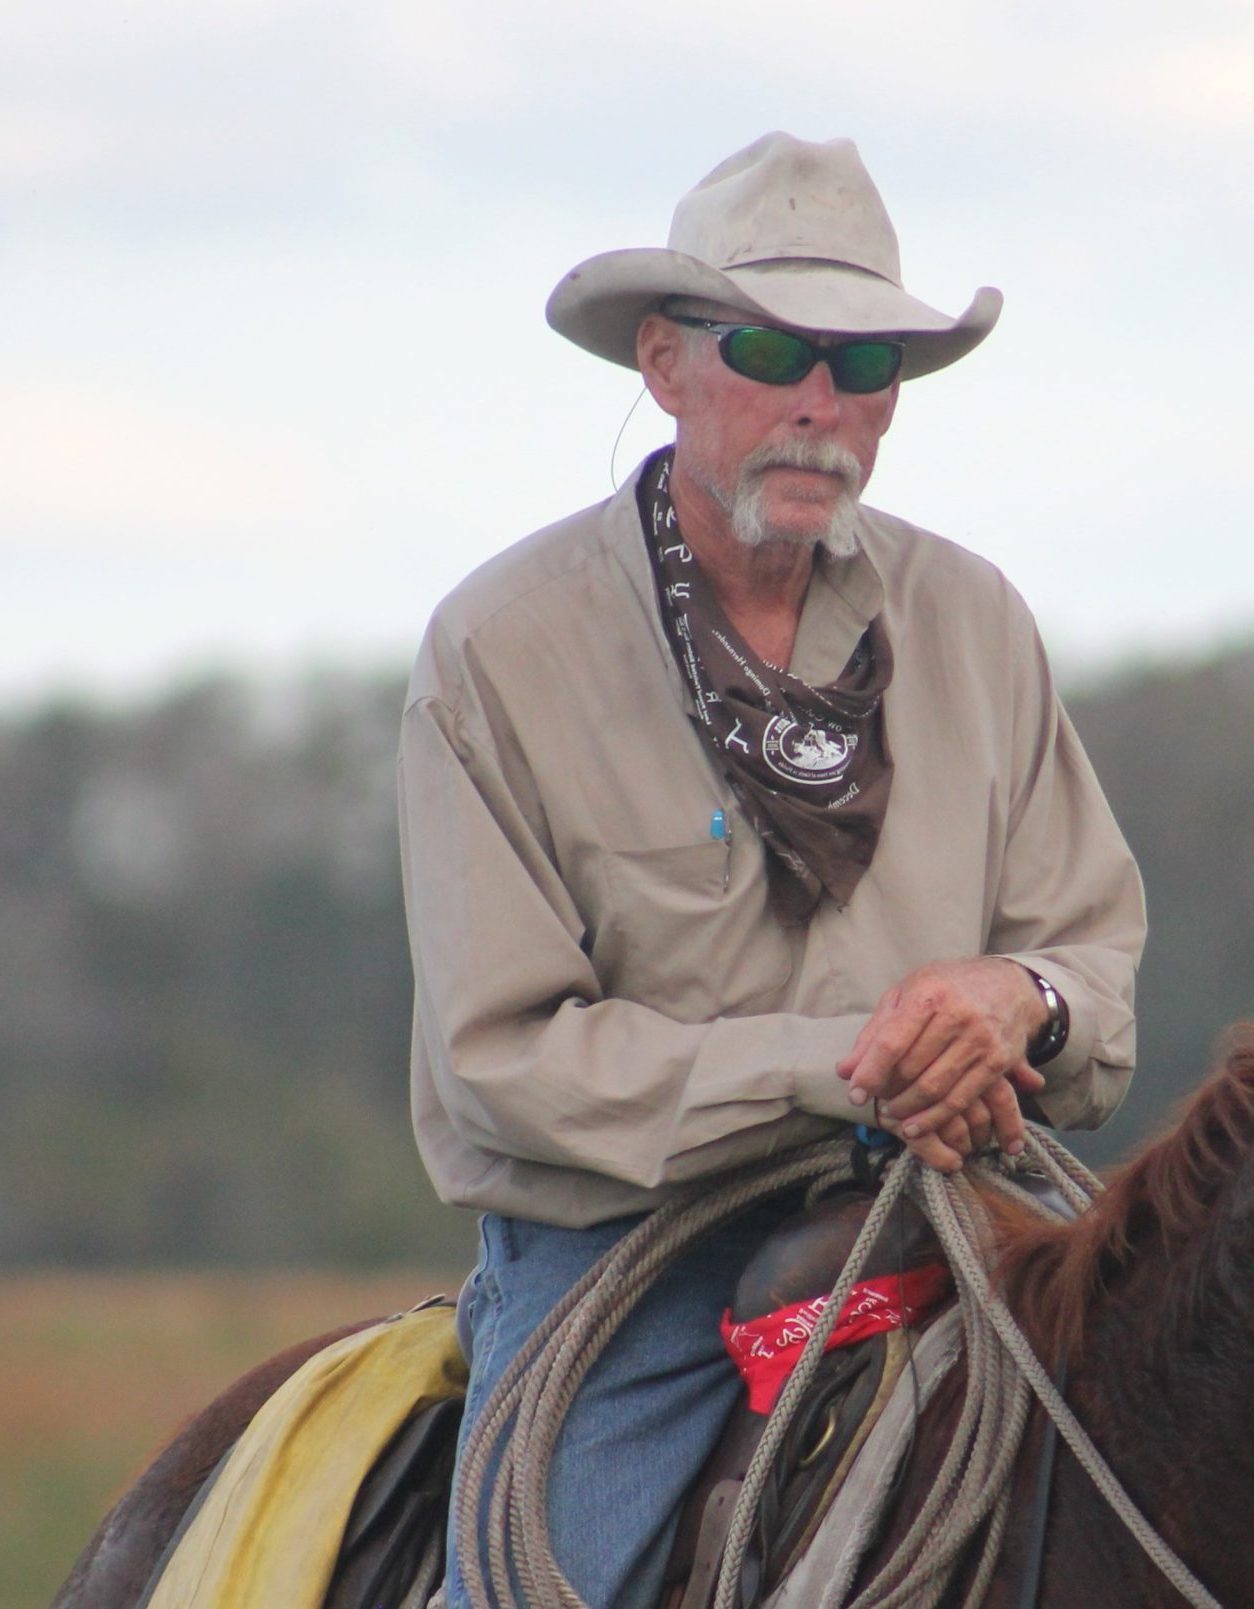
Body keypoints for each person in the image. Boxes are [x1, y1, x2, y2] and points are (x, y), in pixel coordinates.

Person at [399, 131, 1146, 1609]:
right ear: (666, 364)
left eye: (863, 365)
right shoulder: (502, 648)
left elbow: (1091, 959)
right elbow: (503, 1055)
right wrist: (843, 1065)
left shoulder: (978, 623)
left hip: (971, 1207)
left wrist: (1020, 1003)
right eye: (771, 350)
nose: (821, 403)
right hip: (636, 1251)